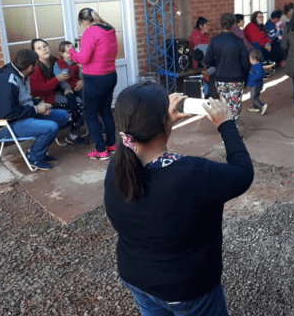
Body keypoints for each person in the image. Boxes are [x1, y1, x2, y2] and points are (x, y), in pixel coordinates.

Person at [104, 82, 253, 316]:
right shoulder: (191, 174)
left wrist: (163, 125)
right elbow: (243, 173)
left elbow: (144, 148)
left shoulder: (117, 167)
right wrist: (227, 125)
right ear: (163, 123)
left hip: (136, 277)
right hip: (187, 289)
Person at [0, 50, 70, 170]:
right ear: (31, 67)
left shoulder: (21, 74)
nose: (36, 67)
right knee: (51, 127)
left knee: (62, 115)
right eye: (35, 65)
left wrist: (41, 105)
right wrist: (36, 109)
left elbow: (23, 100)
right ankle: (34, 158)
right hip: (5, 126)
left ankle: (37, 151)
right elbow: (8, 113)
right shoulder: (6, 82)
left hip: (21, 116)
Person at [69, 8, 118, 159]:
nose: (83, 27)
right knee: (106, 111)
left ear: (84, 21)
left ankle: (101, 150)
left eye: (82, 24)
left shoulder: (91, 32)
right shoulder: (110, 29)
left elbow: (83, 58)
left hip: (95, 79)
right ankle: (111, 145)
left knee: (90, 114)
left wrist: (72, 52)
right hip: (110, 76)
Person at [29, 38, 87, 146]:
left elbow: (75, 73)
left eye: (45, 46)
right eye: (39, 48)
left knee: (85, 99)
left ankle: (79, 127)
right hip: (47, 99)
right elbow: (37, 91)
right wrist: (57, 79)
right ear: (35, 53)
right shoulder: (36, 68)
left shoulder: (56, 62)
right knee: (78, 104)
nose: (43, 49)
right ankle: (73, 134)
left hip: (64, 92)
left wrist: (82, 80)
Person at [204, 13, 250, 126]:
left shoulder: (215, 40)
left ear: (221, 24)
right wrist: (246, 80)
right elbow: (245, 63)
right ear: (233, 25)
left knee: (224, 106)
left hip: (221, 78)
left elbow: (207, 60)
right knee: (235, 107)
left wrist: (218, 64)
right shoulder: (239, 41)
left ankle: (226, 132)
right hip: (236, 78)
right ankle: (233, 135)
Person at [247, 50, 273, 115]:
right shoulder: (257, 65)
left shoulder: (257, 66)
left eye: (250, 58)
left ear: (254, 59)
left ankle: (262, 105)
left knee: (254, 97)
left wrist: (251, 78)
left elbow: (259, 75)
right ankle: (255, 107)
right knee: (254, 96)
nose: (249, 60)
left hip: (255, 84)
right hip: (254, 84)